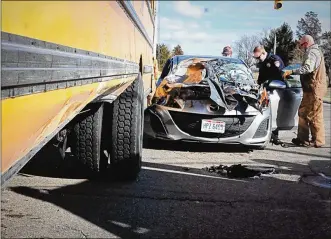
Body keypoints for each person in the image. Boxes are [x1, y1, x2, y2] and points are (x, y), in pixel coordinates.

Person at [282, 35, 327, 148]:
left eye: (301, 45)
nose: (300, 47)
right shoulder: (312, 51)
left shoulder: (313, 52)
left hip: (314, 89)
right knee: (303, 112)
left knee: (314, 115)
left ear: (306, 43)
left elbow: (308, 68)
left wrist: (292, 71)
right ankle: (302, 139)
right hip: (309, 89)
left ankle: (317, 141)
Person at [253, 46, 285, 140]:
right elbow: (261, 77)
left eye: (258, 57)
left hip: (277, 89)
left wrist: (273, 83)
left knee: (275, 112)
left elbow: (281, 74)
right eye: (256, 58)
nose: (258, 60)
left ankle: (275, 133)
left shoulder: (274, 60)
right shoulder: (263, 63)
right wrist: (257, 85)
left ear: (263, 53)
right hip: (267, 90)